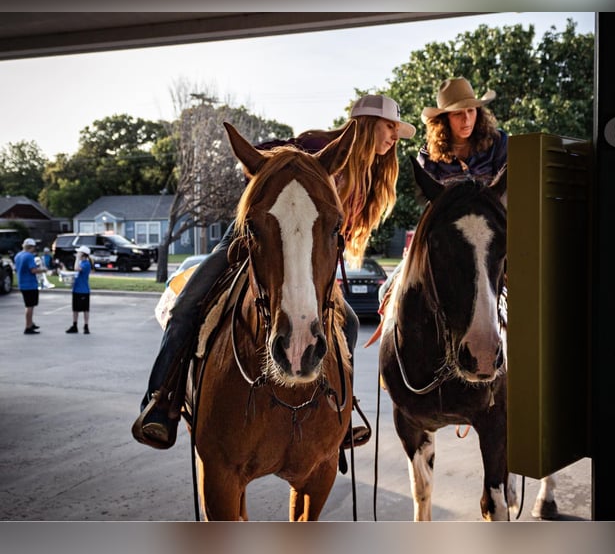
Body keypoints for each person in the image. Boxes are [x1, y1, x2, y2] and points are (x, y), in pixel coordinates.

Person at [132, 94, 415, 449]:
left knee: (351, 325)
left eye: (396, 130)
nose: (394, 136)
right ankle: (159, 402)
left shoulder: (371, 178)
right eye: (390, 127)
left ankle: (340, 412)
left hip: (305, 262)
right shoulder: (317, 144)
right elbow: (261, 154)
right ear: (367, 124)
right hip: (256, 236)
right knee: (188, 303)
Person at [376, 76, 507, 308]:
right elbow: (431, 207)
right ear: (444, 119)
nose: (467, 119)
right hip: (447, 235)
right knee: (387, 292)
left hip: (492, 235)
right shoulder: (428, 156)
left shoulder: (499, 144)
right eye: (458, 114)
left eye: (471, 111)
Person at [14, 238, 45, 335]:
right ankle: (28, 327)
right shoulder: (29, 256)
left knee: (29, 305)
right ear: (31, 247)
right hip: (30, 284)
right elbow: (33, 270)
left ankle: (31, 323)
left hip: (22, 283)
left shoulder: (18, 255)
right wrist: (43, 270)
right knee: (30, 306)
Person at [65, 245, 92, 334]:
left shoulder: (86, 264)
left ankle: (86, 326)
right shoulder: (81, 263)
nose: (77, 254)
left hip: (83, 290)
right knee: (75, 309)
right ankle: (75, 325)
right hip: (76, 289)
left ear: (83, 255)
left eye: (79, 253)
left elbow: (76, 269)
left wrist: (77, 258)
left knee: (85, 309)